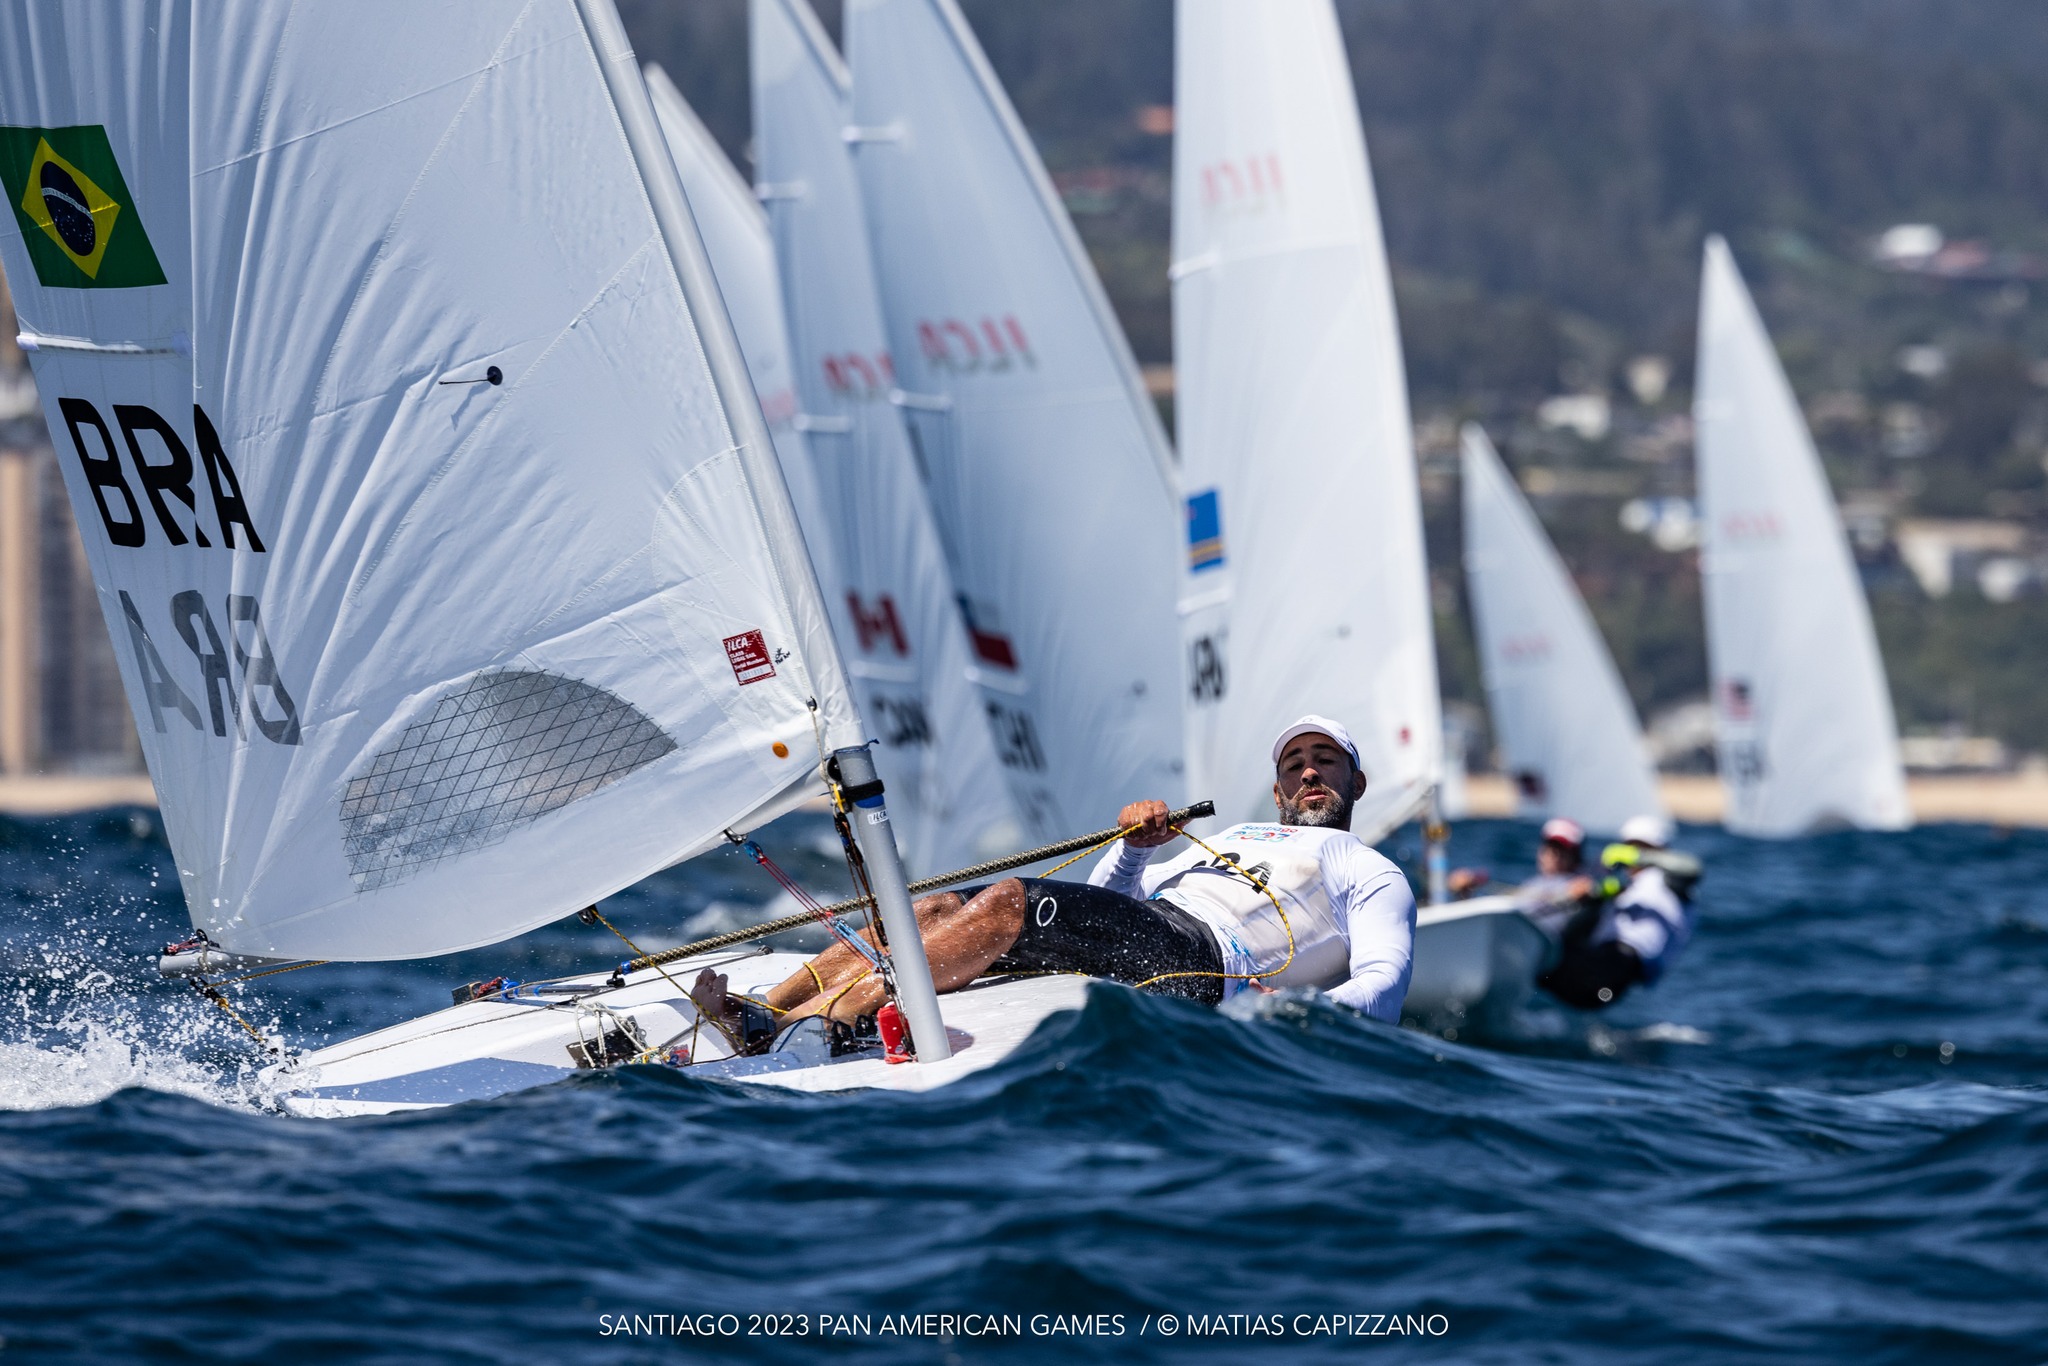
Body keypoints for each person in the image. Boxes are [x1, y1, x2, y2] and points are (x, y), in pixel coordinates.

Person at [689, 714, 1417, 1048]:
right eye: (1296, 763)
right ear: (1279, 783)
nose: (1310, 771)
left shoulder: (1369, 868)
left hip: (1207, 964)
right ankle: (766, 1006)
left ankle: (804, 1026)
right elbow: (1114, 902)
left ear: (1358, 780)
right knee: (938, 904)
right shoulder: (1233, 838)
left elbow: (1383, 988)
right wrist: (1136, 847)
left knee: (1013, 901)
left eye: (1326, 761)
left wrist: (1280, 1018)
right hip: (1154, 933)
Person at [1536, 814, 1699, 1010]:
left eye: (1641, 847)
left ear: (1661, 850)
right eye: (1628, 846)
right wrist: (1593, 893)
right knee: (1547, 964)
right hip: (1599, 965)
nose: (1631, 853)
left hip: (1615, 971)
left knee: (1543, 971)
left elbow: (1692, 867)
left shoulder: (1671, 881)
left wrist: (1638, 857)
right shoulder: (1632, 886)